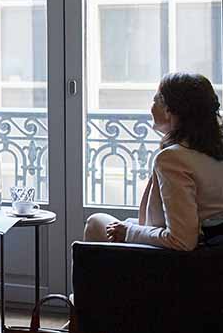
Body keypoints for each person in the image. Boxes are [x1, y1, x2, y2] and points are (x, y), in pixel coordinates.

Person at [84, 72, 223, 250]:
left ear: (168, 110)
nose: (150, 107)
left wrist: (129, 232)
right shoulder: (211, 145)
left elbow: (183, 239)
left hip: (181, 260)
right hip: (211, 250)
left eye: (155, 100)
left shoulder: (174, 158)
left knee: (96, 223)